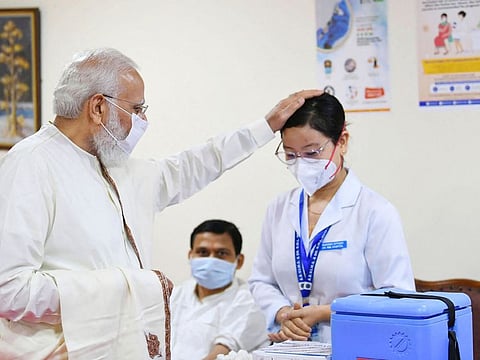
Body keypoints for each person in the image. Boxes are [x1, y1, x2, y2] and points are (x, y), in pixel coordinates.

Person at [0, 47, 321, 359]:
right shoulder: (32, 164)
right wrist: (127, 291)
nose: (143, 120)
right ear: (98, 107)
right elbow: (9, 290)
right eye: (137, 109)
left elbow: (196, 164)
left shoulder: (117, 168)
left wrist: (264, 128)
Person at [248, 93, 415, 344]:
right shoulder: (279, 208)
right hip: (291, 348)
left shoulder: (375, 211)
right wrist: (283, 314)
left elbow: (398, 296)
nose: (301, 164)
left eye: (312, 152)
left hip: (355, 345)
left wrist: (325, 313)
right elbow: (261, 281)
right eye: (291, 155)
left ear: (342, 141)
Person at [170, 219, 269, 360]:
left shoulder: (251, 300)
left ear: (239, 261)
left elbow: (224, 350)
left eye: (221, 253)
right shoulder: (176, 294)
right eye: (203, 252)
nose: (211, 260)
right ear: (190, 256)